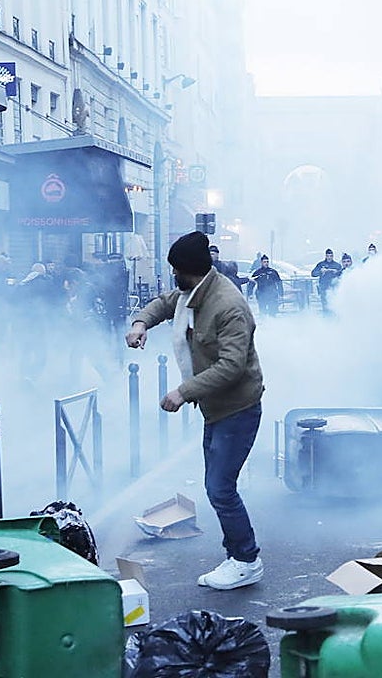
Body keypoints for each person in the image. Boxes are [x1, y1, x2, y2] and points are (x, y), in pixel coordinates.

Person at [126, 231, 266, 590]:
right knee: (215, 485)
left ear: (186, 270)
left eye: (175, 270)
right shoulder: (194, 292)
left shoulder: (227, 304)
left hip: (238, 409)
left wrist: (183, 392)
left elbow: (232, 366)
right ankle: (238, 554)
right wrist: (140, 323)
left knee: (220, 488)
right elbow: (164, 303)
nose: (172, 276)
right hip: (216, 409)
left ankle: (246, 559)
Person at [311, 248, 343, 312]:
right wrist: (321, 271)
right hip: (324, 287)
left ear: (333, 256)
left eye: (331, 256)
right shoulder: (320, 264)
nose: (329, 257)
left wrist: (336, 272)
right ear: (325, 256)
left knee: (335, 304)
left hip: (334, 287)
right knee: (325, 305)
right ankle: (326, 318)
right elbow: (313, 274)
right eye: (328, 256)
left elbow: (341, 275)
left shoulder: (337, 265)